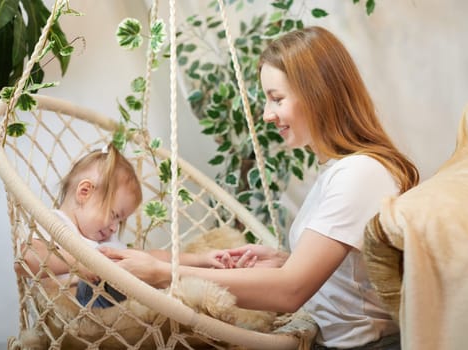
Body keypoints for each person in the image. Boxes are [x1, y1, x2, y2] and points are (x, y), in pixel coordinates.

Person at [99, 26, 420, 349]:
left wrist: (165, 273)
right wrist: (283, 260)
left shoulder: (358, 173)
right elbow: (346, 274)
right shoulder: (341, 171)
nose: (267, 115)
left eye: (276, 99)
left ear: (317, 94)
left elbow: (291, 290)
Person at [20, 143, 230, 308]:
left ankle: (185, 289)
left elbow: (154, 258)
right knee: (125, 278)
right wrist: (84, 263)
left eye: (119, 221)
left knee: (143, 265)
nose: (114, 228)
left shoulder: (105, 239)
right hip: (78, 303)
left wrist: (201, 260)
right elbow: (27, 259)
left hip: (117, 305)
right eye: (114, 215)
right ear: (84, 192)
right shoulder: (54, 222)